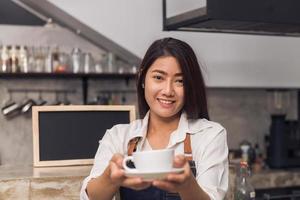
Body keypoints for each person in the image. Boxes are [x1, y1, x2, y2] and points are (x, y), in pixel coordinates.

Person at [80, 37, 228, 200]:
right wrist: (110, 178)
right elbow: (91, 197)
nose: (168, 90)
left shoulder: (210, 135)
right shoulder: (118, 136)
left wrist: (187, 185)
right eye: (159, 77)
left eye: (180, 81)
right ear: (143, 78)